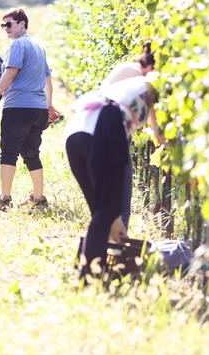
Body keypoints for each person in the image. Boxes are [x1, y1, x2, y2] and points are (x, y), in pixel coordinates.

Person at [63, 75, 165, 282]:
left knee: (100, 210)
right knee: (107, 210)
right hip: (102, 132)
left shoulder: (129, 86)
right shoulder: (154, 89)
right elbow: (160, 134)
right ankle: (88, 276)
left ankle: (94, 268)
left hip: (74, 132)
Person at [0, 7, 59, 210]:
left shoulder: (18, 45)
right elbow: (47, 80)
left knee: (8, 152)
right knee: (32, 153)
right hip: (38, 109)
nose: (5, 28)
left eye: (9, 24)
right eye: (3, 25)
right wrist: (49, 105)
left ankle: (5, 198)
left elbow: (10, 73)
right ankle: (38, 197)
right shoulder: (38, 47)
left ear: (22, 24)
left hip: (18, 107)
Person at [102, 41, 160, 239]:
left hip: (107, 131)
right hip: (112, 132)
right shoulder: (136, 75)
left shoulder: (128, 70)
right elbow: (154, 123)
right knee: (121, 187)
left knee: (118, 186)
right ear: (152, 67)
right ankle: (116, 238)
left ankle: (114, 235)